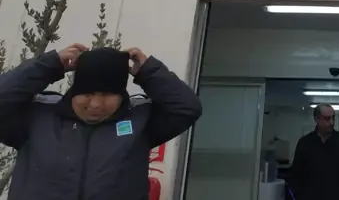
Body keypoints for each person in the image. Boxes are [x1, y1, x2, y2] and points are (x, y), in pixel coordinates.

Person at [0, 42, 203, 200]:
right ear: (74, 91)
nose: (96, 104)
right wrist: (47, 66)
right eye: (87, 93)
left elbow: (186, 107)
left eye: (107, 94)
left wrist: (150, 72)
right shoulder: (37, 116)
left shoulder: (140, 120)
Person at [289, 103, 339, 200]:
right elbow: (296, 174)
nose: (332, 122)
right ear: (316, 119)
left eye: (333, 118)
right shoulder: (305, 143)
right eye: (327, 118)